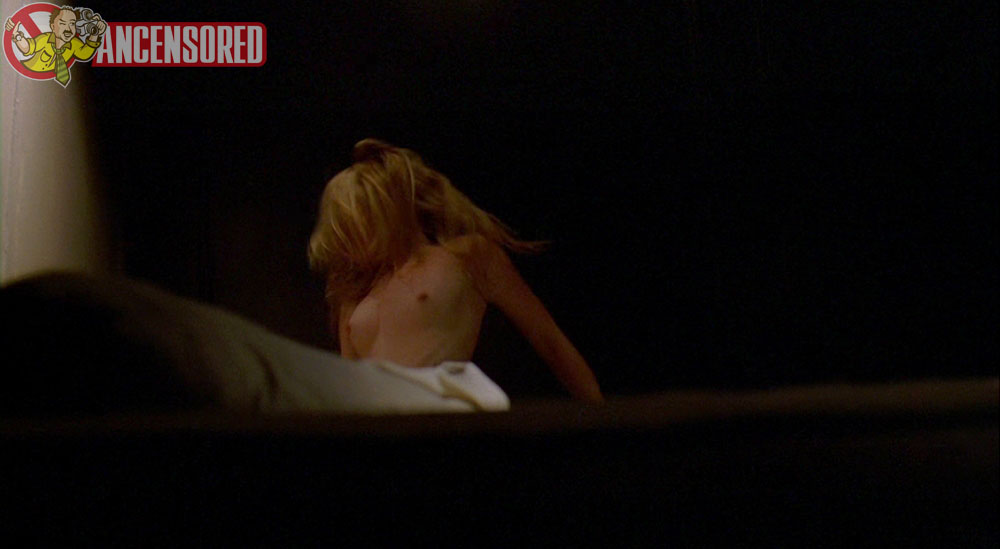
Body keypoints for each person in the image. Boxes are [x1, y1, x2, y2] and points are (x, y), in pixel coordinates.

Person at [308, 139, 603, 402]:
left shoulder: (466, 256)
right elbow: (348, 382)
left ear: (384, 210)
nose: (350, 242)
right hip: (376, 423)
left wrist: (600, 417)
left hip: (434, 409)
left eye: (355, 224)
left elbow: (549, 340)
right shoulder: (353, 292)